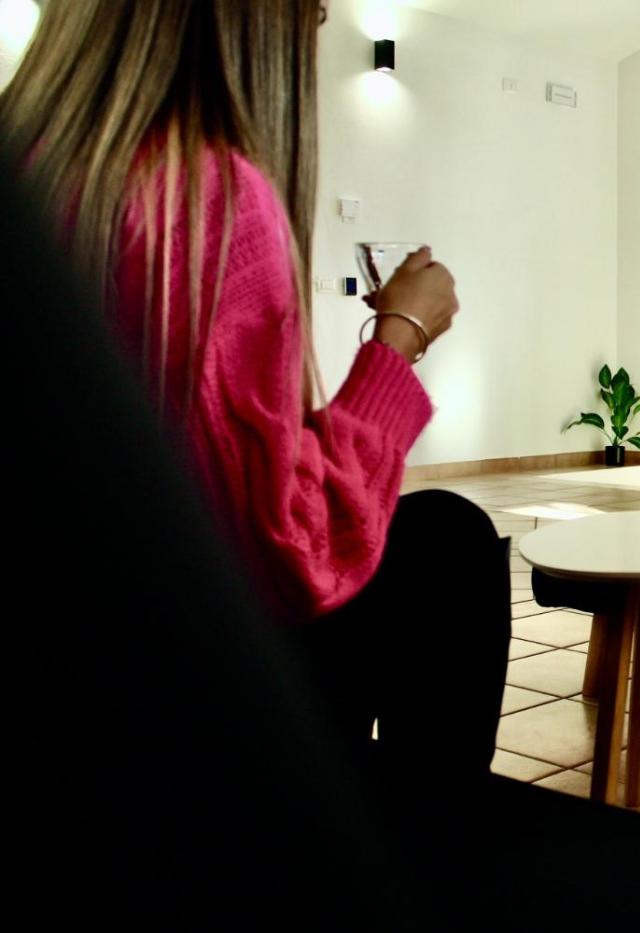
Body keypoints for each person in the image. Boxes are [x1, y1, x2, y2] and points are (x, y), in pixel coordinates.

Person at [0, 0, 509, 838]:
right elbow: (291, 553)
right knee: (446, 542)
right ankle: (424, 855)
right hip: (175, 698)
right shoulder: (210, 202)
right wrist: (400, 337)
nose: (317, 20)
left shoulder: (35, 171)